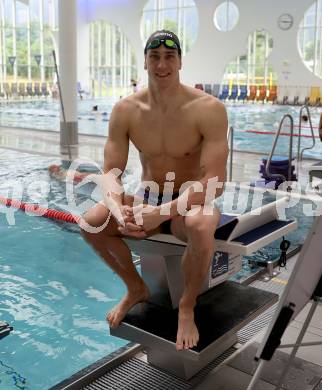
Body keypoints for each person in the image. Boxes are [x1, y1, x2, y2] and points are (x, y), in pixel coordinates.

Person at [80, 30, 228, 351]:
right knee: (91, 223)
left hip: (190, 201)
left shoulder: (207, 109)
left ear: (180, 62)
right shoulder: (126, 110)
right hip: (147, 197)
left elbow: (215, 180)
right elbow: (110, 174)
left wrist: (160, 213)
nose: (162, 65)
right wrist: (120, 210)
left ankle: (186, 307)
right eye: (155, 57)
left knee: (201, 226)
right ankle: (136, 288)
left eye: (169, 57)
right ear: (145, 62)